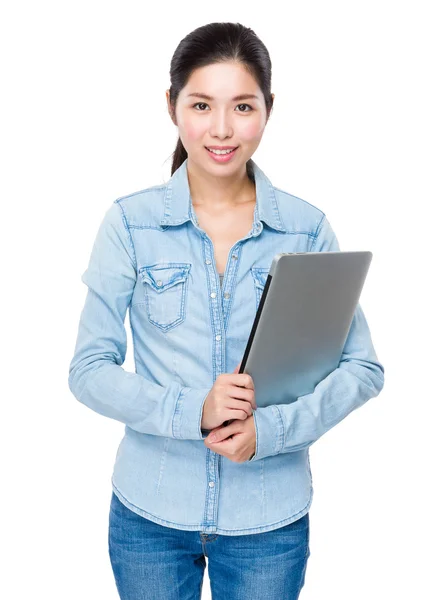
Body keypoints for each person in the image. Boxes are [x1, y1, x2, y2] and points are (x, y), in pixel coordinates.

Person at [68, 21, 385, 600]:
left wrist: (269, 431)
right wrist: (196, 409)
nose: (221, 129)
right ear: (171, 107)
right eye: (201, 105)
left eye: (242, 106)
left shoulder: (306, 230)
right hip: (149, 518)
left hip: (269, 522)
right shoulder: (130, 225)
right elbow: (89, 370)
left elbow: (363, 369)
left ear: (268, 109)